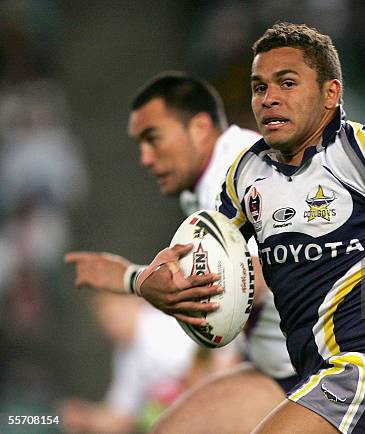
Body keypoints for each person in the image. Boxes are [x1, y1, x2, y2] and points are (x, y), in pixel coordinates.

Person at [136, 23, 365, 433]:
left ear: (331, 93)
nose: (269, 98)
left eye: (287, 83)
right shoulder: (245, 175)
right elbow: (209, 254)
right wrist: (156, 281)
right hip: (316, 379)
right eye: (259, 88)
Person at [65, 72, 298, 433]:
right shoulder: (204, 188)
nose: (144, 157)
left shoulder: (242, 170)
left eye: (153, 139)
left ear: (200, 128)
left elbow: (277, 265)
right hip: (276, 368)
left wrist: (159, 287)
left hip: (316, 370)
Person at [60, 292, 195, 433]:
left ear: (132, 302)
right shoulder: (125, 352)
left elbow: (206, 368)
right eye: (104, 322)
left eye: (112, 318)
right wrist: (87, 418)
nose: (109, 329)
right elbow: (122, 415)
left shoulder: (158, 325)